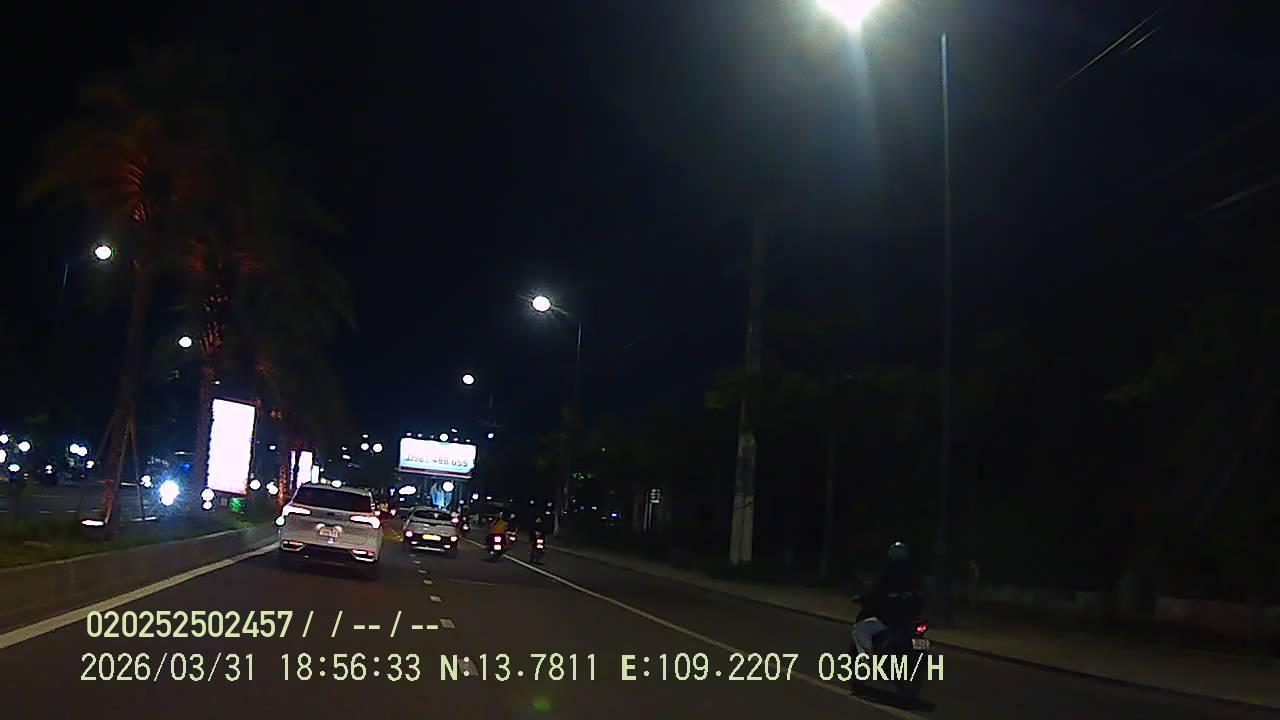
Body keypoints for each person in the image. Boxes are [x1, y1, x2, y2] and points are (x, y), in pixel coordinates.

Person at [854, 541, 925, 654]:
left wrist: (865, 598)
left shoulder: (888, 575)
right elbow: (922, 596)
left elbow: (875, 592)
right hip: (910, 621)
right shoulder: (915, 575)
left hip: (890, 620)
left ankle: (869, 658)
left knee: (860, 629)